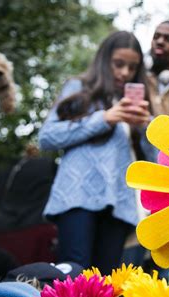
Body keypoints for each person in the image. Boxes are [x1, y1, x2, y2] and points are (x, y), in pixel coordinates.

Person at [39, 31, 153, 275]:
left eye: (132, 67)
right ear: (104, 60)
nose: (124, 72)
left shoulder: (139, 106)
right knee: (73, 272)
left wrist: (146, 128)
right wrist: (105, 118)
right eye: (118, 64)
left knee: (107, 281)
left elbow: (154, 163)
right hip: (77, 196)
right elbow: (47, 137)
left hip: (119, 203)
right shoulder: (79, 88)